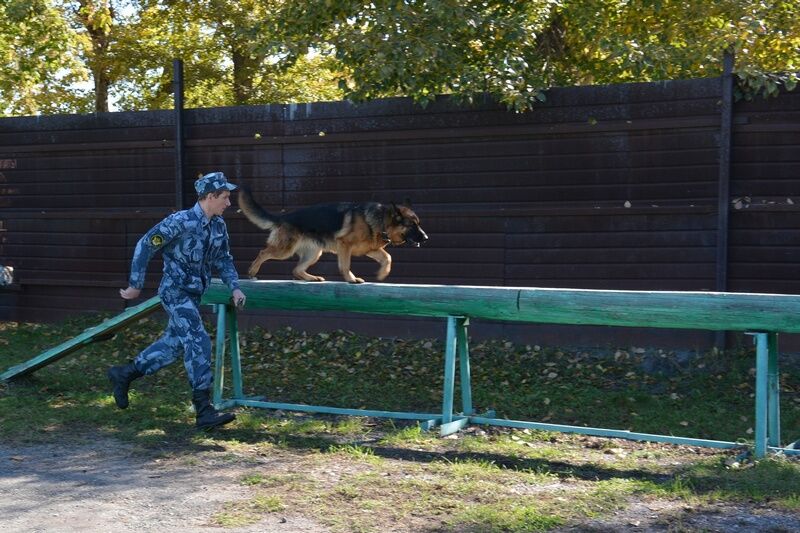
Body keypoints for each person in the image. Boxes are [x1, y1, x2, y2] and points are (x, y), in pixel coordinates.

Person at [108, 171, 247, 430]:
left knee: (174, 346)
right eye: (225, 197)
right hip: (174, 292)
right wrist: (136, 285)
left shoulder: (218, 225)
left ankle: (124, 374)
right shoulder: (179, 222)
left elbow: (223, 259)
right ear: (209, 197)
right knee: (198, 340)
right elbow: (145, 245)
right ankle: (204, 411)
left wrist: (235, 287)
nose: (229, 203)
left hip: (194, 295)